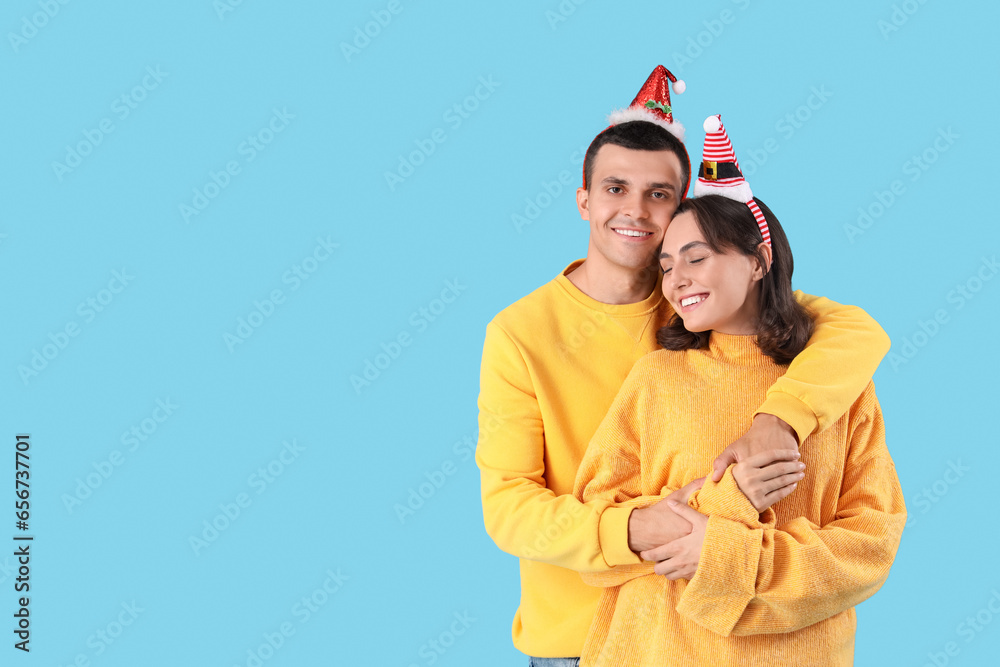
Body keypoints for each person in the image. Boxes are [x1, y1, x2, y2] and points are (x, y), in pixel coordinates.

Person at [475, 69, 891, 666]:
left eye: (659, 194)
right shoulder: (521, 334)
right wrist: (643, 528)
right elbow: (509, 505)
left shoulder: (705, 309)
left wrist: (780, 417)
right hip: (580, 639)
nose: (636, 211)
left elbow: (854, 329)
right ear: (583, 199)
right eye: (615, 188)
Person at [573, 115, 906, 667]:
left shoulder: (835, 384)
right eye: (666, 263)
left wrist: (731, 554)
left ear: (757, 260)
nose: (676, 277)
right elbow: (599, 532)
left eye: (697, 256)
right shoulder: (656, 378)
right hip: (658, 649)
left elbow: (872, 543)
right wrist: (730, 501)